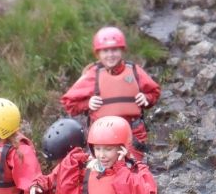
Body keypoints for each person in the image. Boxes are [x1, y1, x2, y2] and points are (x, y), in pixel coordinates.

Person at [60, 26, 161, 162]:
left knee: (132, 168)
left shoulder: (134, 71)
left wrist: (146, 98)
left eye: (114, 50)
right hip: (102, 137)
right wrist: (87, 103)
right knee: (103, 171)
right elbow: (69, 103)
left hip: (132, 135)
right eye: (105, 51)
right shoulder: (93, 74)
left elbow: (154, 92)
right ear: (98, 54)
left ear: (122, 50)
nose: (110, 55)